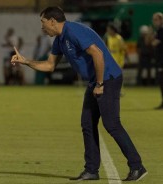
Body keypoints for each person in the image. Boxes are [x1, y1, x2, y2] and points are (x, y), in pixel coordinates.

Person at [11, 7, 147, 181]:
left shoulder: (73, 30)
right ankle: (91, 170)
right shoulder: (59, 40)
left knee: (112, 124)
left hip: (108, 79)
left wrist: (99, 84)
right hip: (95, 81)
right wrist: (26, 61)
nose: (42, 27)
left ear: (53, 21)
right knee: (87, 124)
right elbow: (50, 65)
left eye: (43, 22)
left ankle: (137, 166)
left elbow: (97, 54)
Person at [152, 12, 163, 109]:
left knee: (161, 81)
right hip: (160, 60)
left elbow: (155, 43)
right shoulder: (159, 30)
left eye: (155, 19)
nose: (154, 21)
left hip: (162, 61)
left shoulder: (161, 30)